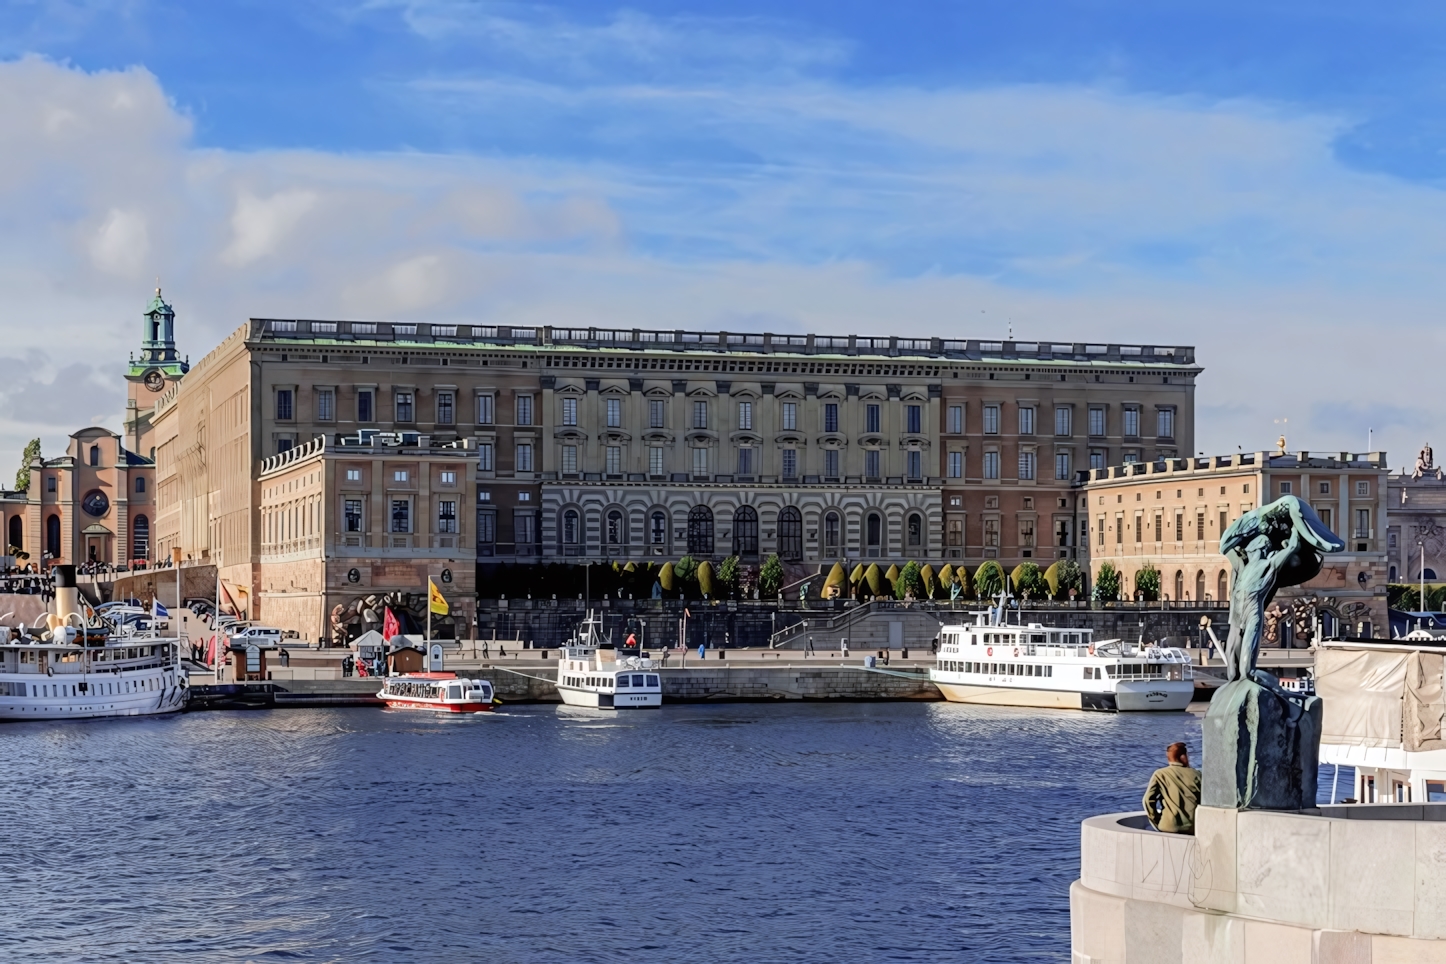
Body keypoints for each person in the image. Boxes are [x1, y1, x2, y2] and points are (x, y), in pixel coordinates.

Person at [1143, 742, 1202, 834]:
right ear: (1183, 756)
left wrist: (1157, 820)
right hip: (1192, 828)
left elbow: (1147, 800)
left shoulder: (1160, 774)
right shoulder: (1197, 775)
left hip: (1168, 827)